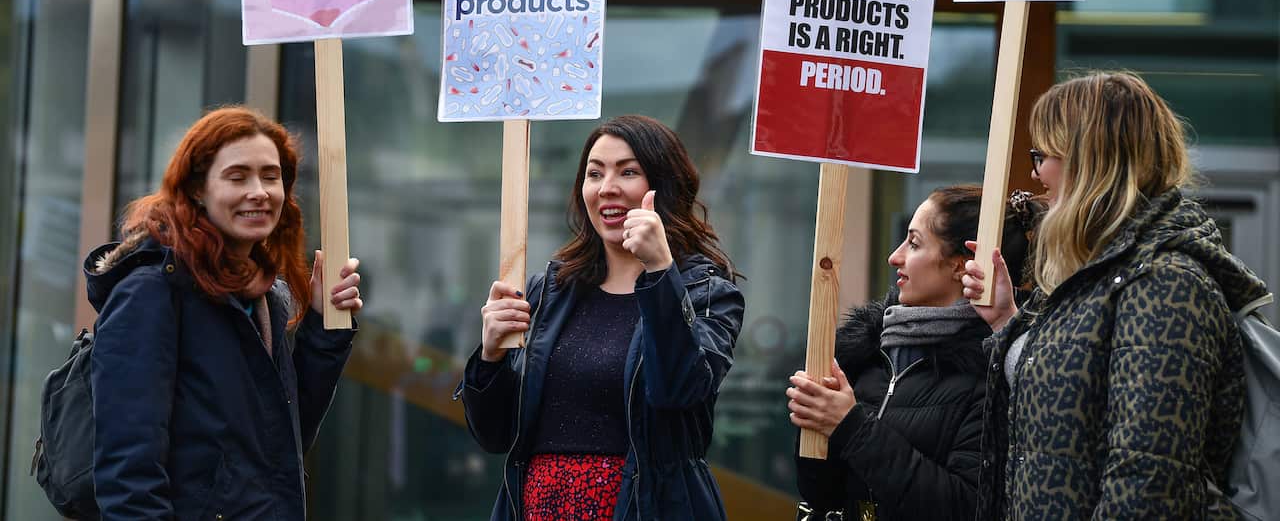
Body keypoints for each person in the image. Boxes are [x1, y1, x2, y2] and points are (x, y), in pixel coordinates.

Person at [961, 72, 1270, 520]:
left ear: (1091, 163)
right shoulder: (1098, 272)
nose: (1034, 172)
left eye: (1042, 155)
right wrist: (1007, 322)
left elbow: (1148, 482)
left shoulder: (1166, 284)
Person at [457, 114, 745, 521]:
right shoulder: (550, 291)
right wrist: (489, 358)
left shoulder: (707, 293)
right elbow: (494, 434)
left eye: (628, 172)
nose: (607, 188)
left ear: (664, 188)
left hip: (649, 508)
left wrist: (661, 271)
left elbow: (679, 390)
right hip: (539, 507)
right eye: (595, 174)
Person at [87, 106, 363, 520]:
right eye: (238, 177)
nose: (259, 191)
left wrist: (325, 325)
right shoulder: (151, 294)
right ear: (197, 189)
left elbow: (280, 441)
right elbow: (128, 475)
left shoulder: (265, 296)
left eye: (271, 176)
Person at [787, 186, 1041, 521]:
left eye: (915, 243)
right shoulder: (867, 353)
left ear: (961, 266)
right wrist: (816, 423)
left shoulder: (991, 370)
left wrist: (850, 426)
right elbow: (823, 493)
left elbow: (964, 507)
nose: (895, 256)